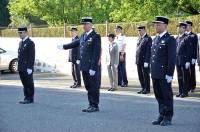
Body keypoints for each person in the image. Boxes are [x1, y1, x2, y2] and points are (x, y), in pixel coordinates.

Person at [57, 17, 101, 113]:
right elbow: (75, 43)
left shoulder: (96, 36)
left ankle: (95, 105)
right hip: (84, 66)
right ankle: (91, 104)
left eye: (85, 24)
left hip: (91, 67)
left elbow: (96, 53)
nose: (83, 26)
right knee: (88, 86)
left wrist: (93, 67)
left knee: (93, 86)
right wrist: (64, 46)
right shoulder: (83, 35)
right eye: (83, 24)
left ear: (90, 25)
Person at [151, 16, 176, 126]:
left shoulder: (169, 39)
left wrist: (170, 74)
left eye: (159, 24)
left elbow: (171, 58)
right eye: (155, 24)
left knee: (166, 96)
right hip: (155, 73)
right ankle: (161, 114)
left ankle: (168, 116)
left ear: (165, 25)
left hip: (164, 74)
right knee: (158, 95)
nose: (156, 26)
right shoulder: (156, 39)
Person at [18, 27, 35, 104]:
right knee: (24, 83)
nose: (20, 34)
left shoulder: (30, 43)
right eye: (19, 33)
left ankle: (30, 98)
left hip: (27, 67)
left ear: (26, 32)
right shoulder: (21, 43)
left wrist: (30, 67)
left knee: (29, 83)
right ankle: (26, 97)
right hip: (21, 67)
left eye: (21, 33)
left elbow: (32, 56)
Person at [175, 22, 192, 98]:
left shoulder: (187, 38)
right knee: (179, 77)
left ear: (184, 28)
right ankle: (180, 91)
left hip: (184, 61)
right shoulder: (177, 38)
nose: (178, 28)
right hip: (178, 60)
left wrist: (188, 61)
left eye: (179, 27)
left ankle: (185, 92)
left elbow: (189, 50)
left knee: (185, 77)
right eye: (177, 27)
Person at [135, 26, 152, 94]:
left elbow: (148, 51)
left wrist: (147, 61)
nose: (139, 32)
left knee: (145, 75)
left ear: (144, 30)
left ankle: (147, 89)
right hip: (139, 60)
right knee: (140, 76)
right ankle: (143, 88)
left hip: (144, 61)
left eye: (140, 30)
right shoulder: (139, 38)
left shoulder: (148, 39)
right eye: (138, 31)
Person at [185, 21, 199, 92]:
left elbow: (196, 47)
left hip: (191, 58)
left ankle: (192, 86)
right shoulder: (184, 35)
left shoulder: (194, 36)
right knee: (185, 73)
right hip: (185, 58)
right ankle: (187, 86)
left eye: (187, 25)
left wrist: (194, 57)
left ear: (190, 26)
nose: (185, 27)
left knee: (192, 72)